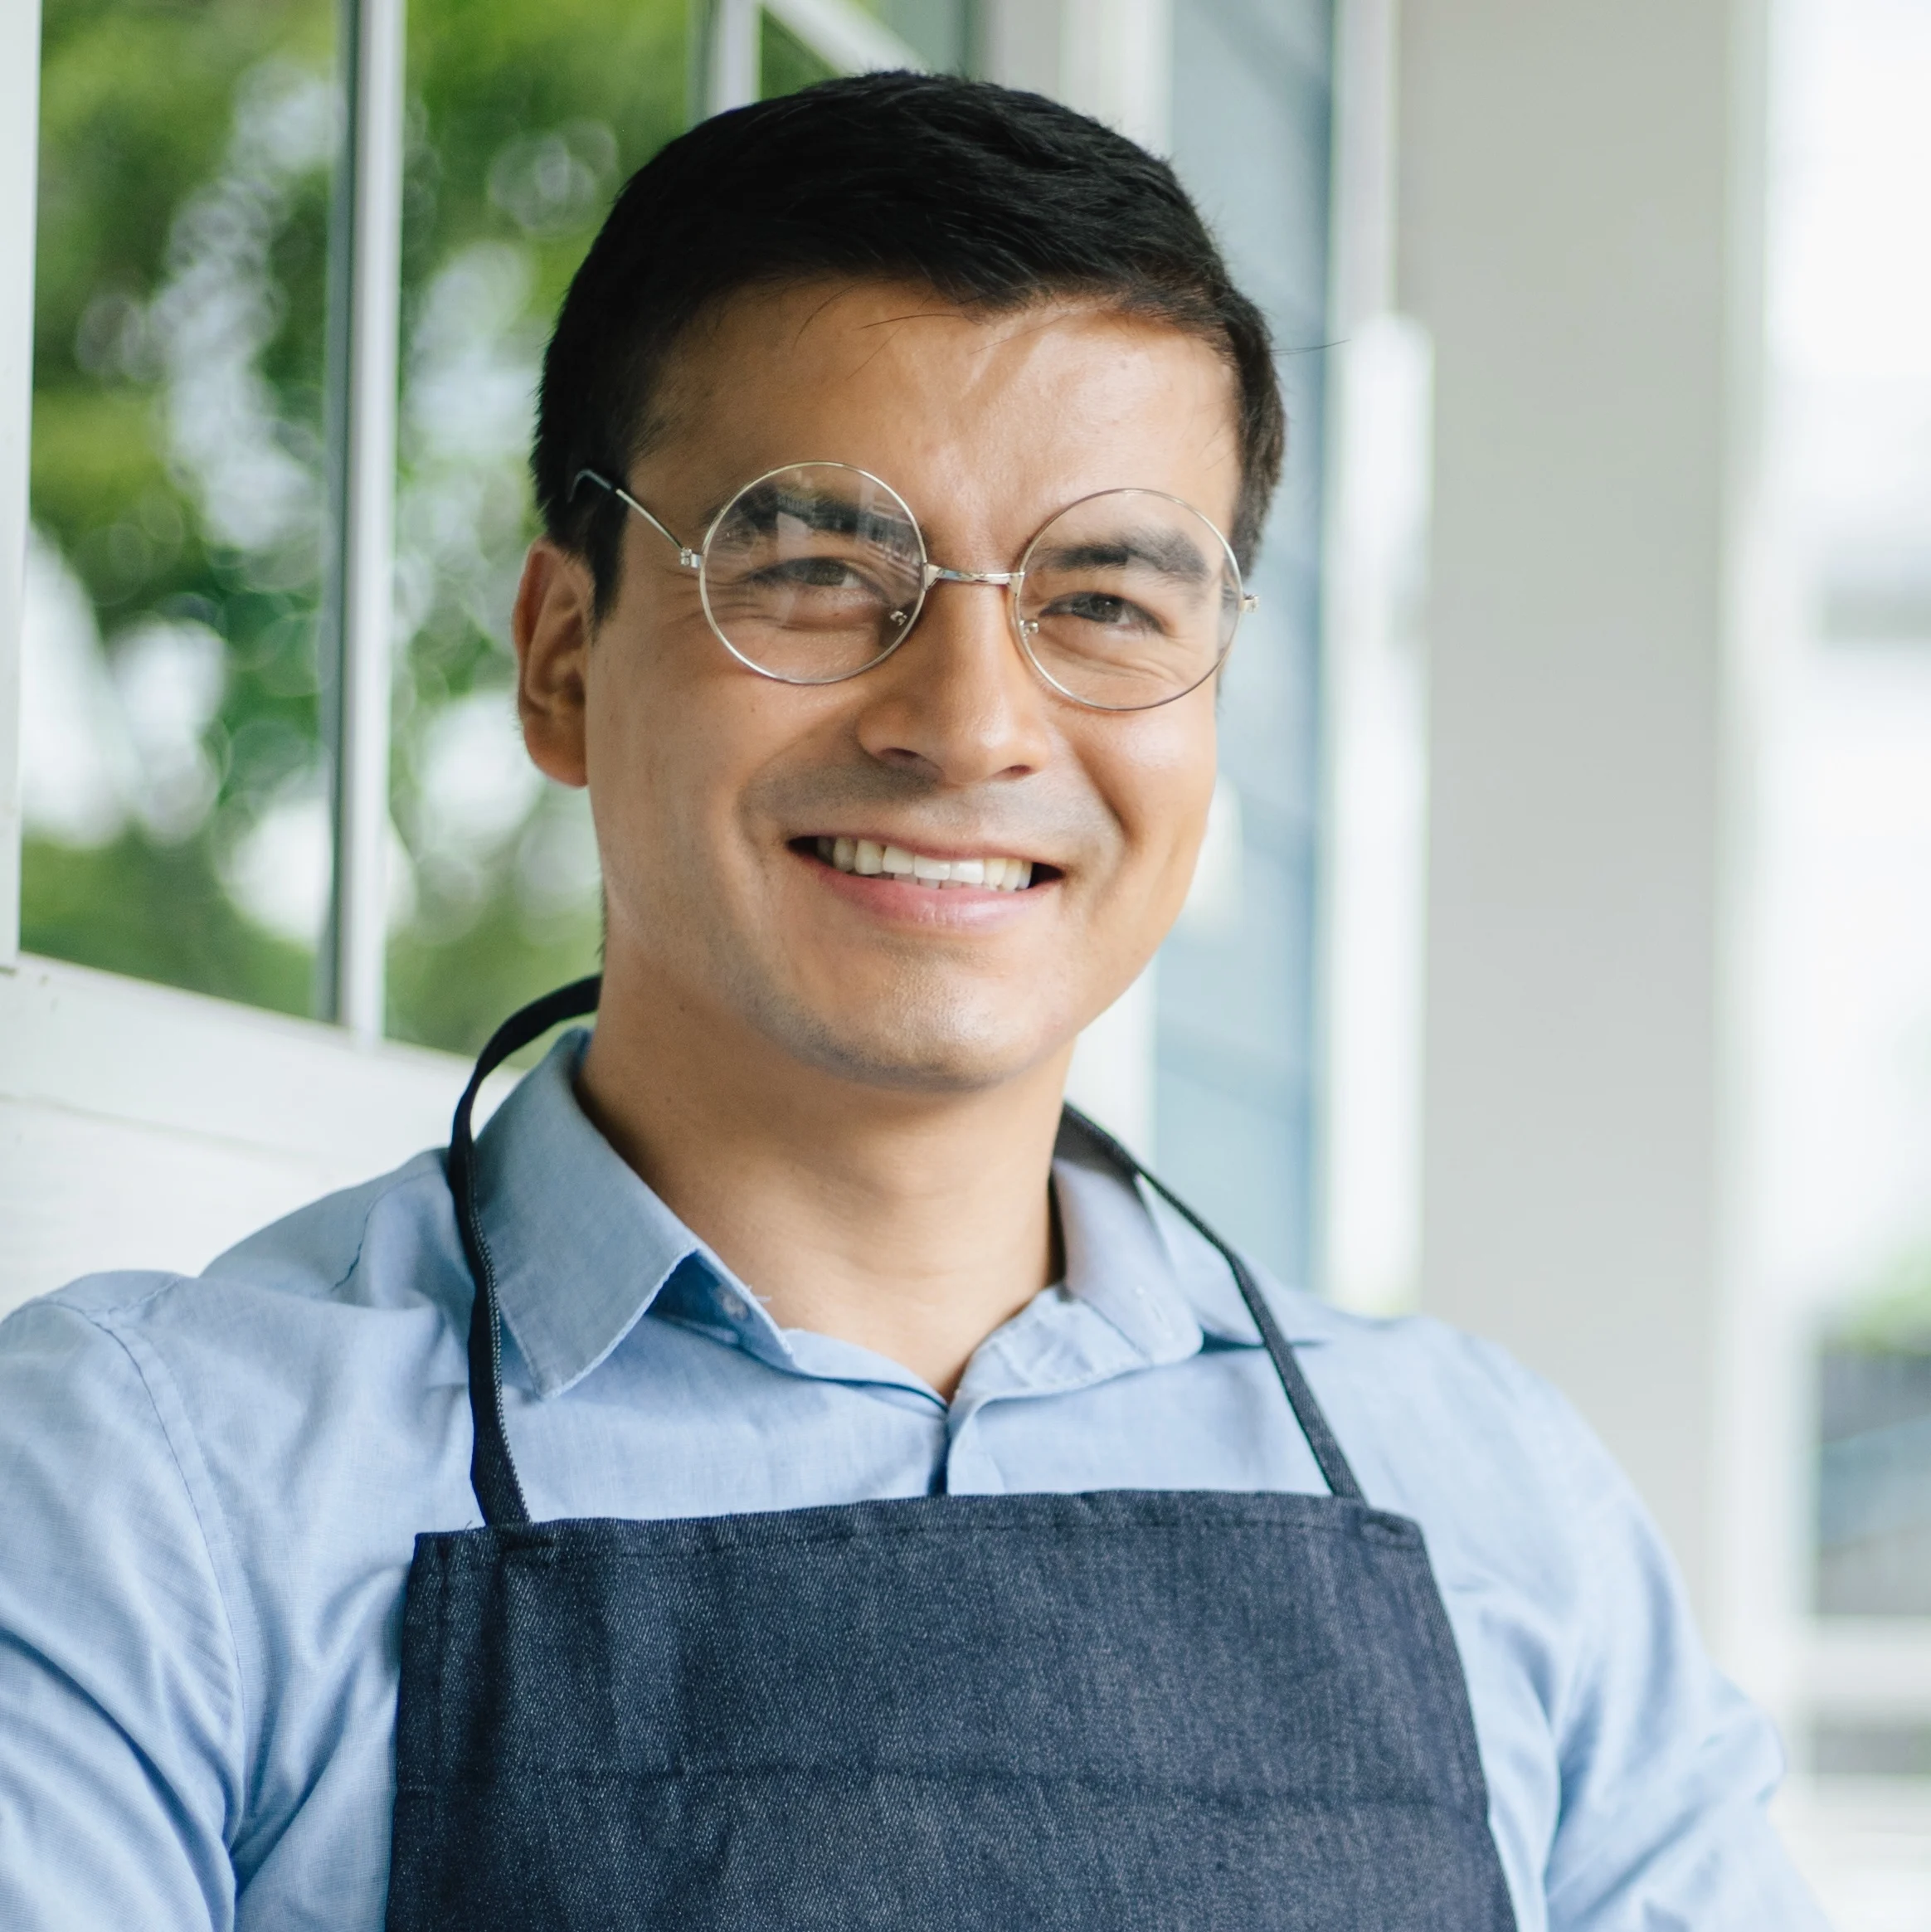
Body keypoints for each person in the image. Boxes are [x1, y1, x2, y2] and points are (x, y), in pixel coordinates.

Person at [0, 72, 1822, 1932]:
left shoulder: (1501, 1501)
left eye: (1106, 602)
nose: (967, 724)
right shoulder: (144, 1493)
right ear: (561, 656)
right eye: (813, 572)